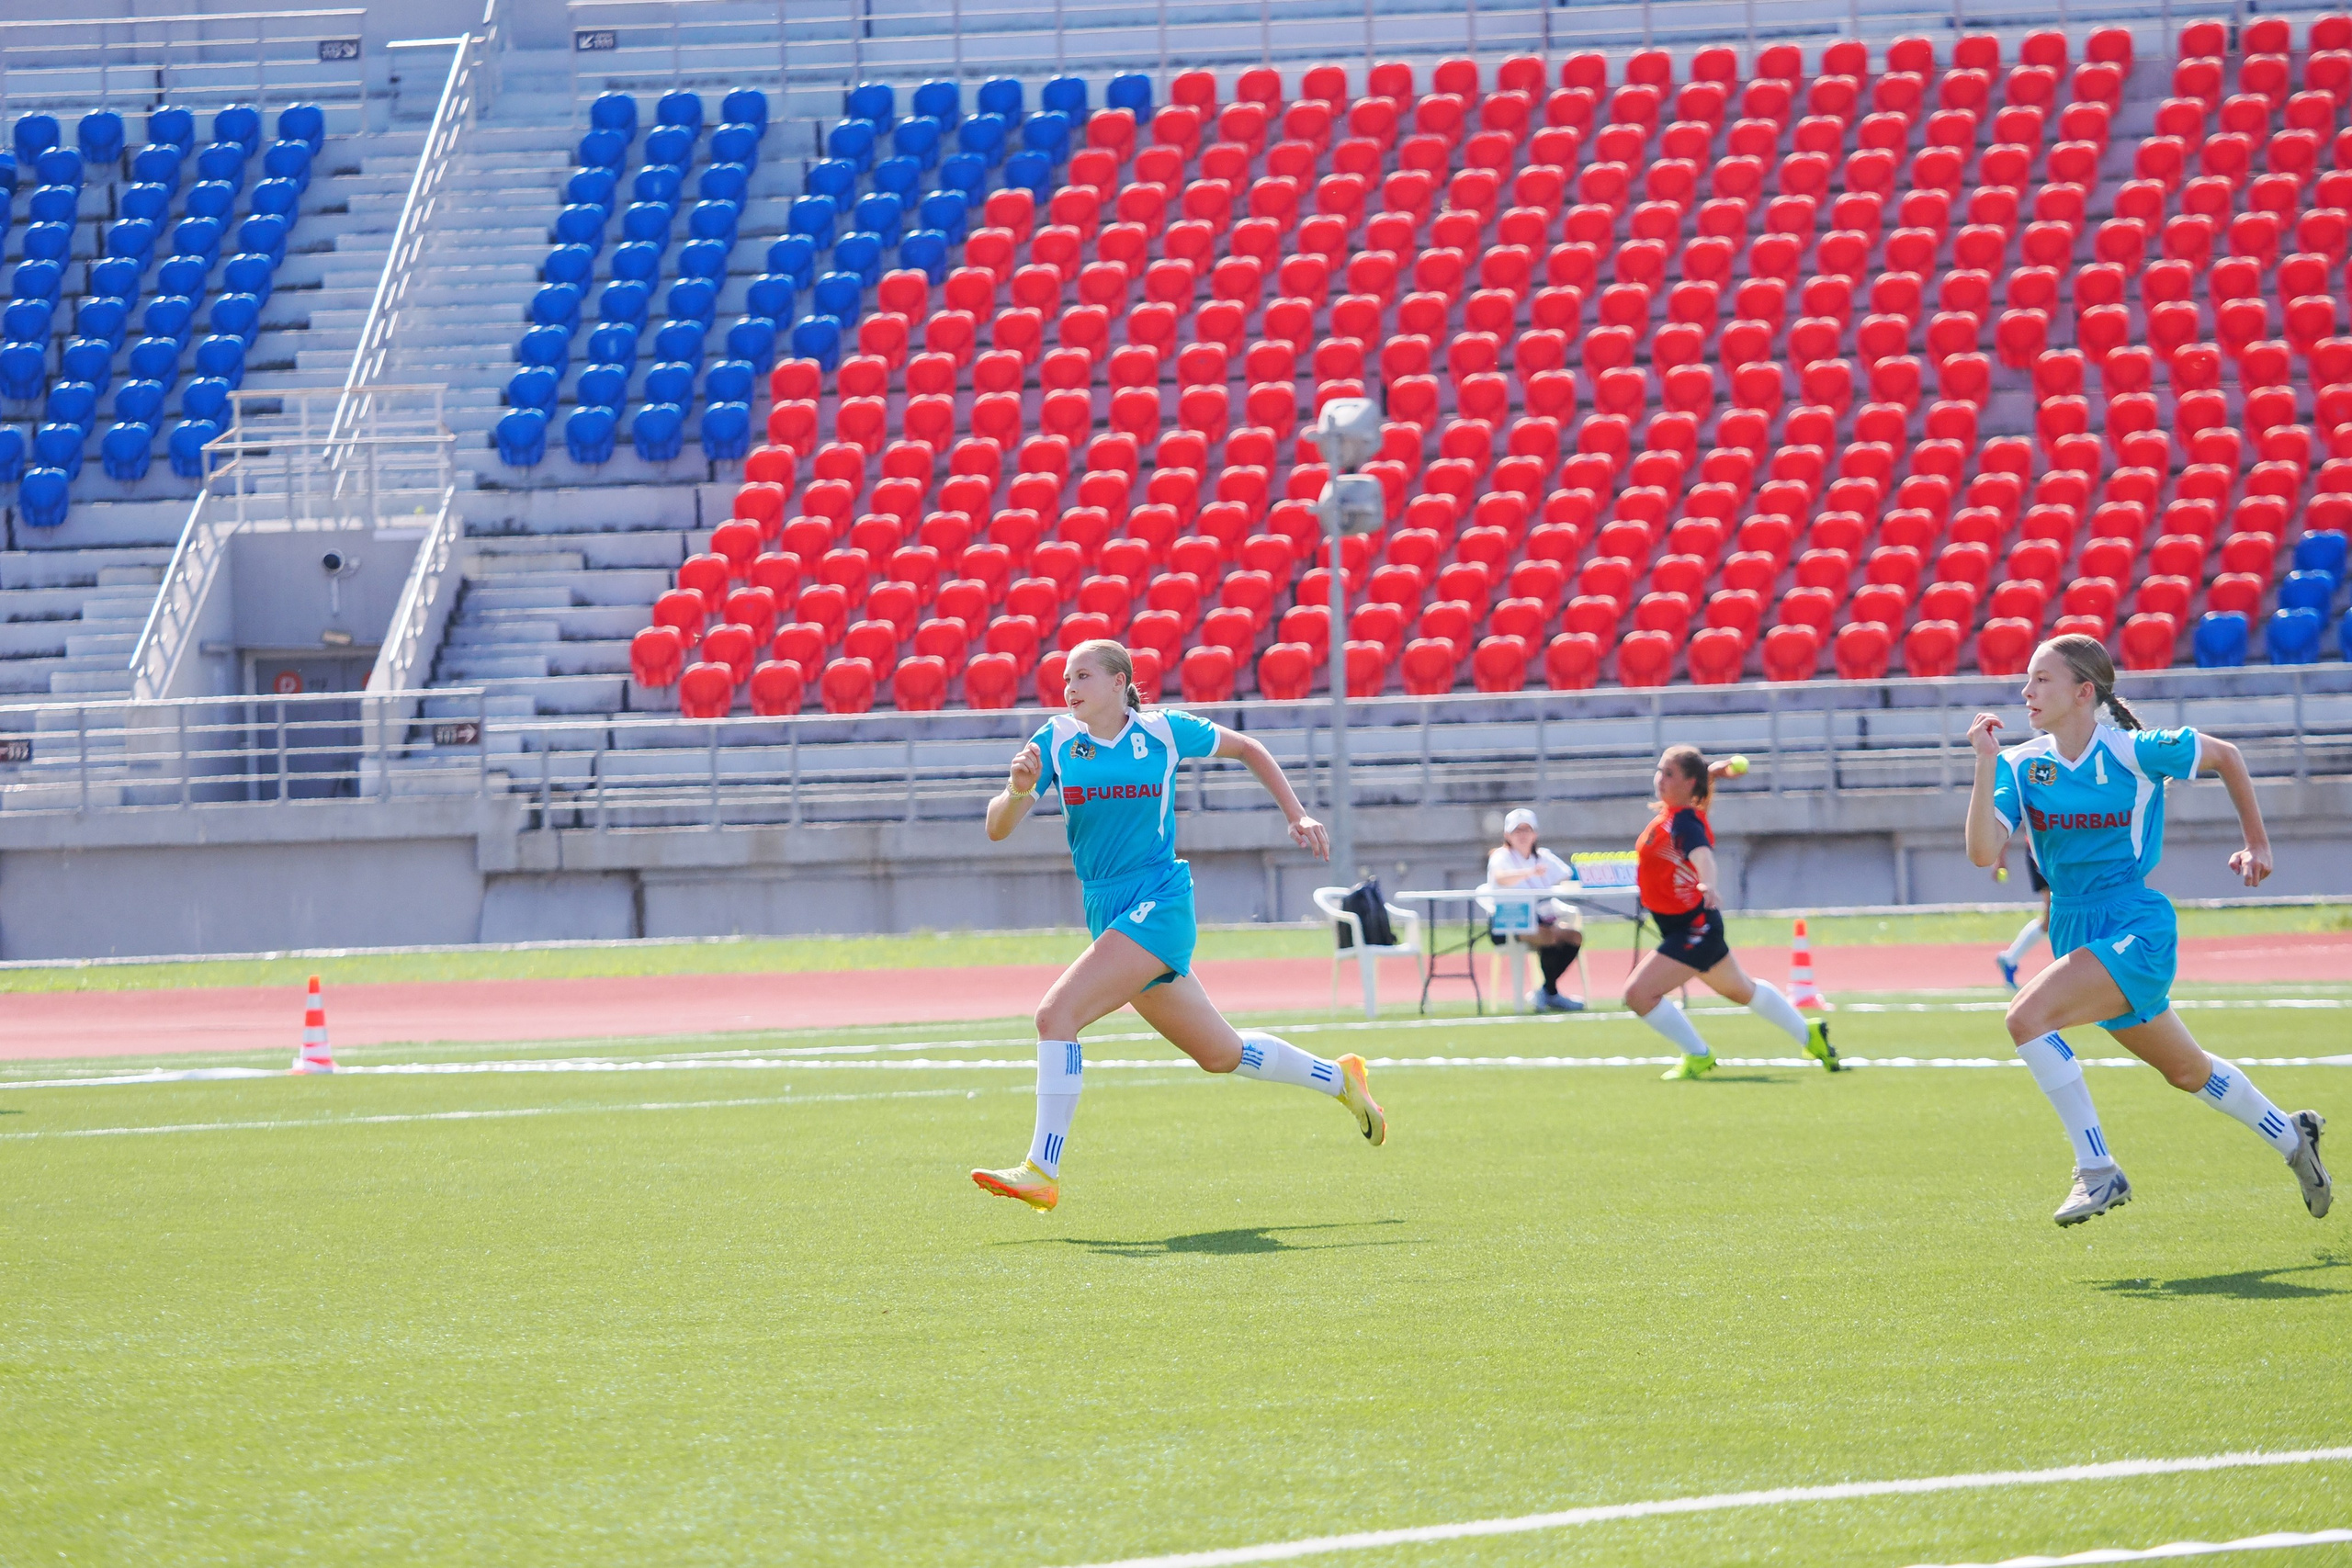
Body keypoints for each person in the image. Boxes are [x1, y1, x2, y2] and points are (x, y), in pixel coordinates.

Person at [971, 638, 1386, 1212]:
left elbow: (1248, 747)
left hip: (1160, 903)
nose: (1069, 688)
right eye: (1065, 678)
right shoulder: (1056, 741)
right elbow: (998, 827)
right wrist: (1018, 791)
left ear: (1119, 683)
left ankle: (1042, 1169)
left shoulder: (1163, 732)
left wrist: (1298, 813)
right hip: (1108, 910)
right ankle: (1342, 1079)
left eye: (1083, 676)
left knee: (1055, 1015)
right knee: (1221, 1053)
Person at [1965, 633, 2329, 1226]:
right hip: (2077, 931)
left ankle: (2097, 1169)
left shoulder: (2135, 751)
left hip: (2136, 923)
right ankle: (2292, 1137)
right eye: (2028, 679)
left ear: (2084, 692)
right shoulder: (2016, 763)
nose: (2026, 691)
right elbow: (1984, 853)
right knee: (2186, 1070)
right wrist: (1983, 763)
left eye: (2041, 679)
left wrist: (2257, 844)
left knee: (2025, 1018)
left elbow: (2226, 755)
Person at [1623, 744, 1840, 1080]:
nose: (1660, 779)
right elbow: (1699, 781)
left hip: (1693, 929)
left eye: (1669, 774)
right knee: (1743, 991)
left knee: (1638, 994)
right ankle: (1808, 1033)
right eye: (1660, 771)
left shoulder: (1684, 823)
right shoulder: (1676, 811)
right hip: (1689, 927)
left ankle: (1698, 1055)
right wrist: (1717, 770)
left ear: (1688, 783)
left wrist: (1708, 884)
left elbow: (1703, 858)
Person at [1484, 807, 1586, 1012]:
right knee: (1548, 936)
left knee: (1574, 936)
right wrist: (1530, 873)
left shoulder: (1543, 857)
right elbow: (1501, 877)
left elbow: (1568, 875)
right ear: (1507, 835)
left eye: (1526, 830)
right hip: (1507, 922)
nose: (1522, 835)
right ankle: (1548, 993)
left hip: (1541, 920)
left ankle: (1548, 991)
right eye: (1517, 830)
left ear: (1535, 833)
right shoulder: (1501, 857)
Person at [1995, 852, 2052, 990]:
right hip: (2044, 851)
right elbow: (2005, 830)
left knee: (2050, 920)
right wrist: (2000, 859)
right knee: (2051, 918)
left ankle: (2009, 958)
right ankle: (2009, 958)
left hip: (2066, 849)